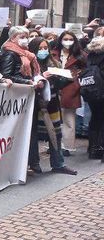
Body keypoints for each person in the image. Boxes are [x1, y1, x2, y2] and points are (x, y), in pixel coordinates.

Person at [0, 26, 47, 174]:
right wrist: (28, 82)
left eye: (27, 36)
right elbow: (7, 75)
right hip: (16, 99)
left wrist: (35, 79)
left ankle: (33, 162)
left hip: (28, 97)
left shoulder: (27, 55)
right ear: (13, 38)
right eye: (22, 36)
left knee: (30, 130)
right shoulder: (9, 54)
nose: (25, 39)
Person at [29, 38, 77, 175]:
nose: (43, 51)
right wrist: (40, 77)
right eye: (40, 48)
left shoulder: (54, 63)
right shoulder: (29, 64)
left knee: (55, 133)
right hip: (36, 104)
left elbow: (59, 85)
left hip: (52, 103)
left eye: (45, 48)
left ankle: (58, 163)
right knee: (33, 135)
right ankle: (34, 164)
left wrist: (65, 79)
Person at [51, 31, 85, 155]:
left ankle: (67, 146)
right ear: (60, 40)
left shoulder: (80, 55)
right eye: (65, 39)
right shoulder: (53, 53)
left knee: (69, 119)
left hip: (71, 88)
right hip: (55, 87)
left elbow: (86, 69)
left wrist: (78, 74)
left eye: (70, 39)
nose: (68, 41)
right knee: (54, 118)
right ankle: (54, 144)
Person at [84, 37, 104, 159]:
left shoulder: (90, 56)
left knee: (95, 118)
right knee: (101, 120)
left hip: (92, 91)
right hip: (102, 91)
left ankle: (92, 147)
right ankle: (99, 147)